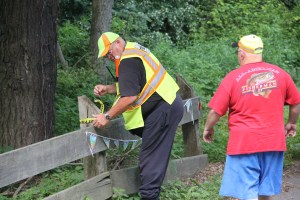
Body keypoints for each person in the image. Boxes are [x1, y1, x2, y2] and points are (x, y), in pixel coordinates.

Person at [203, 34, 300, 200]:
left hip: (244, 143)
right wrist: (291, 123)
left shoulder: (233, 77)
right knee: (264, 191)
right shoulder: (280, 74)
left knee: (248, 193)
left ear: (242, 54)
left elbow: (215, 111)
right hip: (273, 141)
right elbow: (296, 103)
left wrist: (208, 128)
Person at [92, 32, 183, 200]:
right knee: (152, 158)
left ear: (118, 42)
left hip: (162, 110)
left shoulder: (128, 61)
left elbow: (130, 96)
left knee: (150, 160)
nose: (109, 57)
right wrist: (109, 88)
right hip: (167, 105)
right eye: (106, 55)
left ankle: (149, 197)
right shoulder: (133, 50)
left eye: (109, 52)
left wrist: (107, 116)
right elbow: (134, 84)